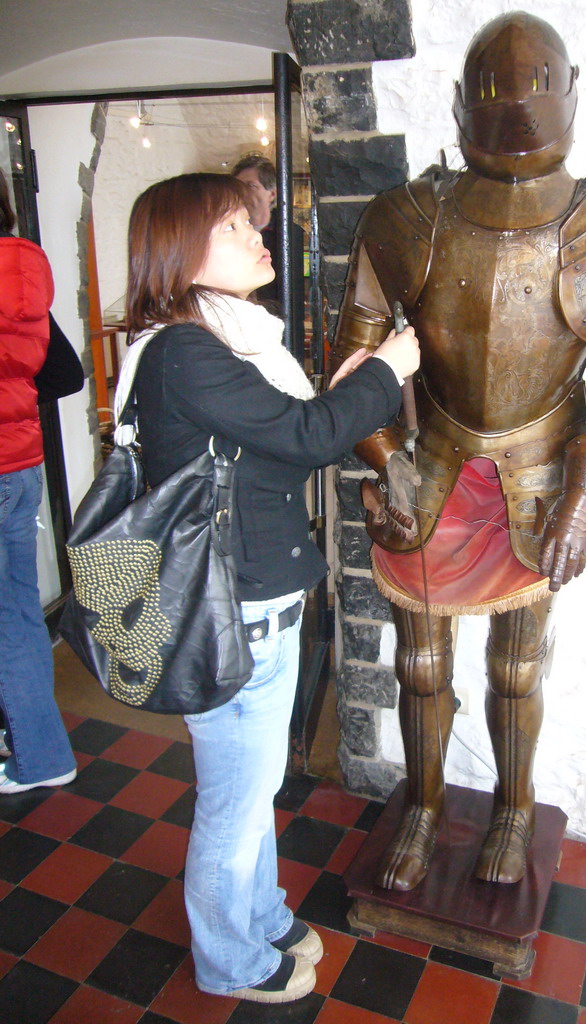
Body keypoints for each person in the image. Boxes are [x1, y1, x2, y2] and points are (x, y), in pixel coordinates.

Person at [332, 12, 586, 891]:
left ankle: (514, 812)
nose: (516, 106)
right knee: (419, 659)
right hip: (429, 457)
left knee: (518, 664)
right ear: (456, 106)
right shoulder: (405, 217)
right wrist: (387, 456)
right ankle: (422, 804)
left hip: (540, 469)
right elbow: (353, 361)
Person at [116, 172, 419, 1003]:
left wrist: (352, 386)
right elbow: (309, 435)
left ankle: (262, 914)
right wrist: (387, 371)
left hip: (255, 600)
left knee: (253, 790)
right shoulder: (185, 350)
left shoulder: (224, 341)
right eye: (233, 228)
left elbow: (278, 442)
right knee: (234, 800)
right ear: (180, 252)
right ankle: (230, 960)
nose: (259, 238)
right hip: (232, 612)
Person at [0, 168, 81, 794]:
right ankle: (39, 748)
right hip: (20, 467)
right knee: (18, 615)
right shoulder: (23, 276)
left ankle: (39, 756)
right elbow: (63, 371)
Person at [231, 153, 306, 347]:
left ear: (271, 194)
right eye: (238, 186)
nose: (242, 192)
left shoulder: (288, 235)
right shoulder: (227, 238)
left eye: (251, 186)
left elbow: (292, 294)